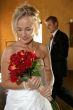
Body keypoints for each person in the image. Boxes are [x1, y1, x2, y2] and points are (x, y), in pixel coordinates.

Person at [0, 4, 54, 110]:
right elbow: (5, 82)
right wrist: (26, 85)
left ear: (36, 27)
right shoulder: (9, 50)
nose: (23, 34)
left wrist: (49, 86)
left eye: (28, 29)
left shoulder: (43, 48)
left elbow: (48, 70)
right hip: (17, 101)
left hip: (39, 98)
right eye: (19, 29)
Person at [45, 16, 69, 99]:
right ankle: (51, 105)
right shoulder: (52, 37)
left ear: (56, 24)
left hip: (58, 69)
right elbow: (51, 52)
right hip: (53, 69)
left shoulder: (62, 36)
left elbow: (63, 54)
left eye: (49, 25)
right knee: (55, 90)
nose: (48, 27)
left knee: (58, 91)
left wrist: (49, 59)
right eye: (47, 25)